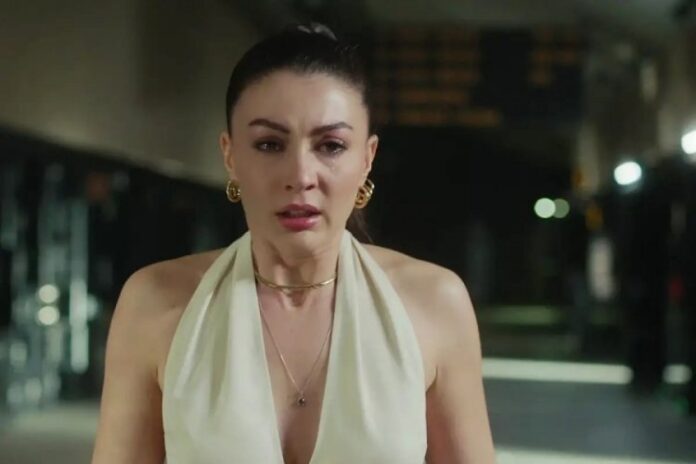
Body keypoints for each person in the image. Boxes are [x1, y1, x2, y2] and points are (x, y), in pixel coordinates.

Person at [91, 23, 496, 464]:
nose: (300, 176)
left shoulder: (434, 303)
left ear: (367, 158)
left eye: (331, 145)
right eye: (269, 144)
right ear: (230, 155)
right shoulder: (154, 302)